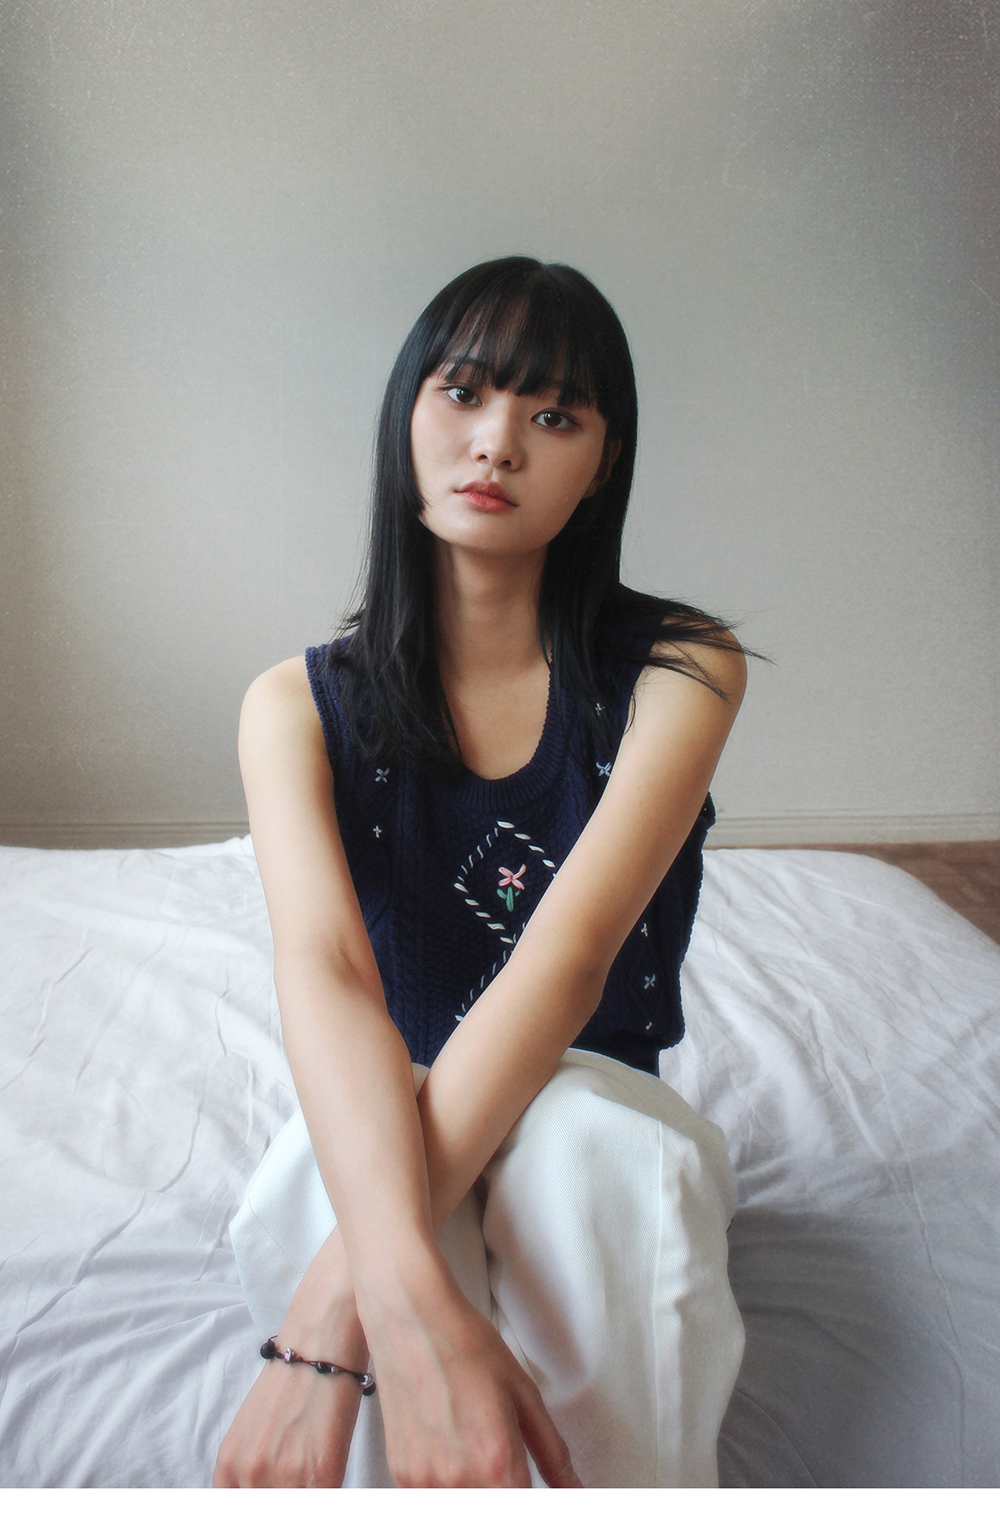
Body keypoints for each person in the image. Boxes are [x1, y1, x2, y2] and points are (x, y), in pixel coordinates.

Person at [214, 252, 749, 1490]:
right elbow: (326, 968)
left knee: (585, 1154)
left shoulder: (680, 667)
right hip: (388, 1112)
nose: (497, 441)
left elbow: (567, 957)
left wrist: (343, 1304)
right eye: (462, 393)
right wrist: (409, 1278)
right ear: (404, 415)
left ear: (601, 462)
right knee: (323, 1174)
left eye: (553, 416)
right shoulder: (292, 705)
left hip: (595, 1098)